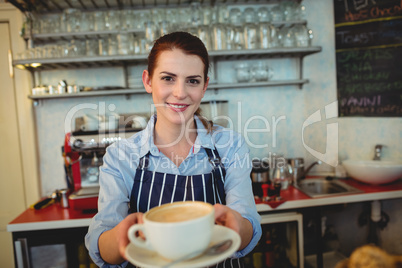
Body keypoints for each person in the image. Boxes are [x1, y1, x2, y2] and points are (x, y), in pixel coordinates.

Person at [85, 31, 262, 267]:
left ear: (205, 86)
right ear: (148, 81)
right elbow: (101, 244)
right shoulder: (121, 156)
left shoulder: (230, 146)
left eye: (192, 80)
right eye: (168, 78)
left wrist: (238, 225)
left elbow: (249, 227)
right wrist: (119, 237)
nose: (180, 93)